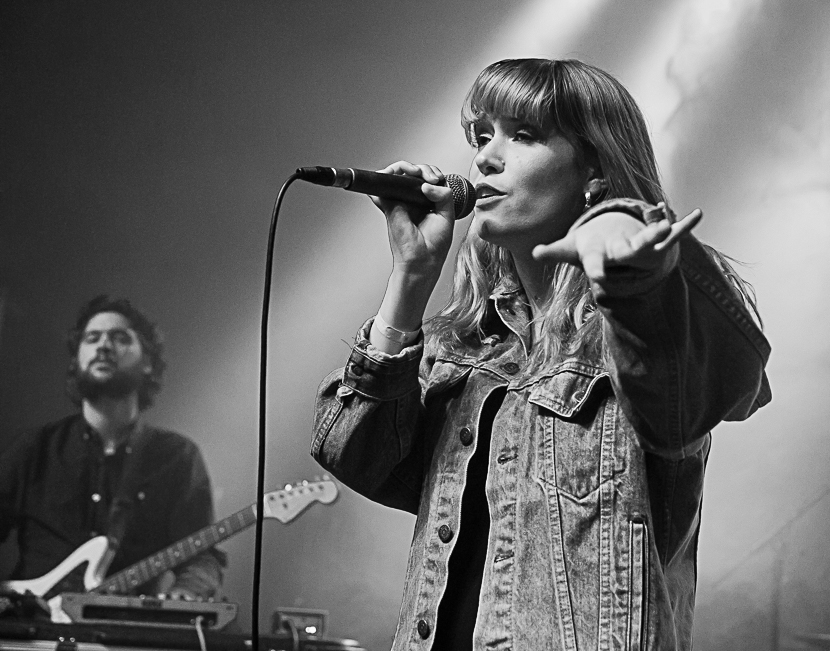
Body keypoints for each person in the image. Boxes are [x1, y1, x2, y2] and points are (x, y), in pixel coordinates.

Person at [311, 58, 771, 651]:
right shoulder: (472, 348)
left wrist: (628, 260)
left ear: (595, 168)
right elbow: (358, 455)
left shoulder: (643, 321)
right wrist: (411, 277)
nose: (486, 158)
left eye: (522, 135)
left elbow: (718, 385)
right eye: (481, 137)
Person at [0, 295, 224, 602]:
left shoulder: (176, 457)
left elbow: (200, 554)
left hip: (125, 624)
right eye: (92, 338)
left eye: (120, 338)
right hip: (32, 621)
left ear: (148, 362)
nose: (104, 346)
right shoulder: (35, 448)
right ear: (76, 359)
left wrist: (187, 591)